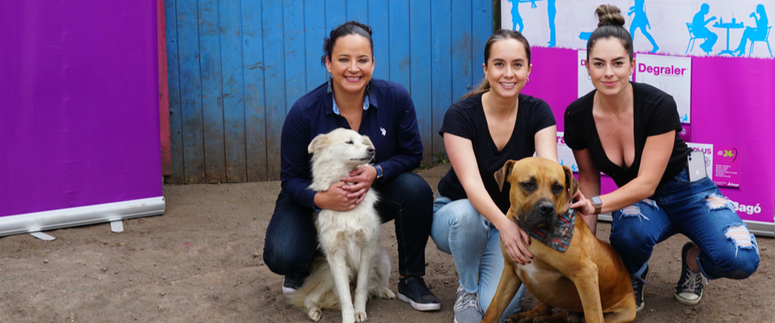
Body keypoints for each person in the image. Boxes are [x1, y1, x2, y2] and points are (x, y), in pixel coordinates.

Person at [565, 4, 760, 313]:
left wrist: (599, 204)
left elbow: (648, 182)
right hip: (640, 200)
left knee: (742, 258)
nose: (608, 73)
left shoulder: (658, 104)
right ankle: (635, 275)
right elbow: (588, 179)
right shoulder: (577, 115)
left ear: (633, 65)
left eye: (618, 63)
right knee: (629, 235)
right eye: (598, 64)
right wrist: (583, 251)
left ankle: (693, 263)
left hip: (688, 189)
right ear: (586, 67)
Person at [262, 21, 441, 312]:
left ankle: (412, 279)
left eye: (362, 60)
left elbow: (412, 154)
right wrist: (321, 199)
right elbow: (291, 177)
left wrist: (376, 171)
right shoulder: (304, 112)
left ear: (373, 62)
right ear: (328, 63)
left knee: (416, 190)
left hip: (372, 191)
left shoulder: (395, 98)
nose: (353, 68)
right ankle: (305, 264)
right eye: (343, 59)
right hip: (314, 196)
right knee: (282, 252)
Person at [431, 29, 558, 323]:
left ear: (528, 70)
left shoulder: (538, 112)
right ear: (486, 69)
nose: (508, 73)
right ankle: (468, 287)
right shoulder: (460, 115)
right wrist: (507, 225)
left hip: (507, 222)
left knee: (494, 312)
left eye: (517, 64)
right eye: (499, 64)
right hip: (455, 216)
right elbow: (471, 184)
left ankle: (487, 282)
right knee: (467, 215)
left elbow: (550, 169)